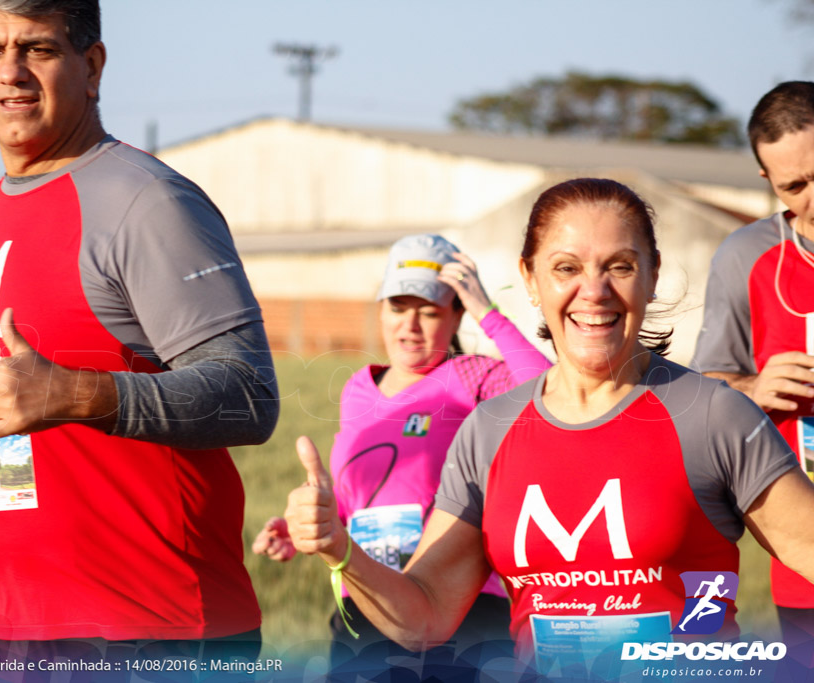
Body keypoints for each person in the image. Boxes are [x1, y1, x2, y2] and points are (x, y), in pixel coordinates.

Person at [0, 0, 278, 673]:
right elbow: (5, 427)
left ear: (92, 65)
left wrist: (72, 393)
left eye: (37, 49)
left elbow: (249, 395)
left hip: (137, 632)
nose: (10, 72)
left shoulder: (146, 202)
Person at [283, 178, 814, 681]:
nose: (595, 290)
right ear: (531, 279)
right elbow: (424, 618)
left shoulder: (713, 414)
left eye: (620, 266)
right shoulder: (489, 430)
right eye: (566, 268)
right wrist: (340, 548)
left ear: (652, 275)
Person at [252, 234, 550, 676]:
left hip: (458, 614)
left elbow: (550, 393)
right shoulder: (357, 389)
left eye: (429, 312)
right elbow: (363, 492)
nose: (409, 326)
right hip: (367, 605)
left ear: (456, 316)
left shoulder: (472, 377)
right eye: (397, 307)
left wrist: (488, 312)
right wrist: (306, 528)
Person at [692, 81, 814, 654]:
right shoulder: (747, 255)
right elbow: (704, 387)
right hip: (805, 550)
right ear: (768, 183)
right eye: (795, 186)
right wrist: (755, 387)